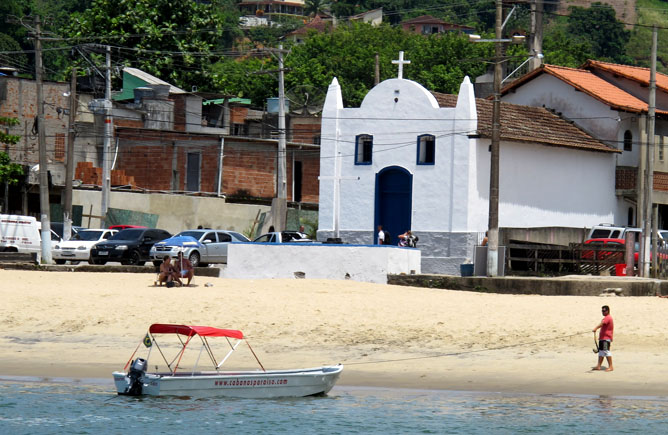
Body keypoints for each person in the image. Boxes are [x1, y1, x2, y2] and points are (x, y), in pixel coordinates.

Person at [592, 305, 614, 371]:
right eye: (602, 311)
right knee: (601, 352)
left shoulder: (608, 317)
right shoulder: (606, 317)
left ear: (607, 311)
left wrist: (595, 328)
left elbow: (602, 324)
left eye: (604, 311)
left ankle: (611, 366)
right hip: (602, 338)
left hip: (606, 338)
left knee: (606, 351)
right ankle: (598, 366)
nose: (603, 312)